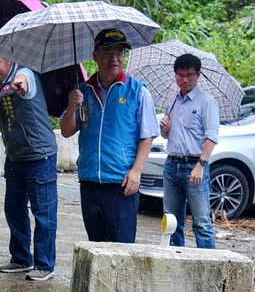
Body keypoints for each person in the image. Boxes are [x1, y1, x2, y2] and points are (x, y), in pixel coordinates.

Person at [60, 28, 157, 244]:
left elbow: (147, 135)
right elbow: (67, 131)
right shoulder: (83, 91)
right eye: (107, 52)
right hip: (90, 181)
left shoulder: (137, 91)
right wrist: (71, 106)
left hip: (121, 183)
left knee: (122, 249)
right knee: (96, 246)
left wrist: (136, 172)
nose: (114, 58)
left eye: (120, 52)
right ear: (95, 56)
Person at [0, 45, 58, 281]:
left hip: (39, 156)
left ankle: (45, 264)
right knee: (14, 209)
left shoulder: (24, 73)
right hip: (15, 157)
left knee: (44, 213)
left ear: (9, 59)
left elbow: (24, 82)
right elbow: (6, 115)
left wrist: (20, 82)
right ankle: (21, 258)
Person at [159, 53, 220, 249]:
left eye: (190, 75)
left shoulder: (206, 101)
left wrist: (200, 165)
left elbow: (211, 136)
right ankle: (177, 260)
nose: (184, 80)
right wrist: (164, 128)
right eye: (180, 75)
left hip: (194, 165)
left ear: (198, 75)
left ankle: (211, 269)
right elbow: (168, 136)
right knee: (172, 221)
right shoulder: (172, 102)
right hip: (172, 164)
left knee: (201, 222)